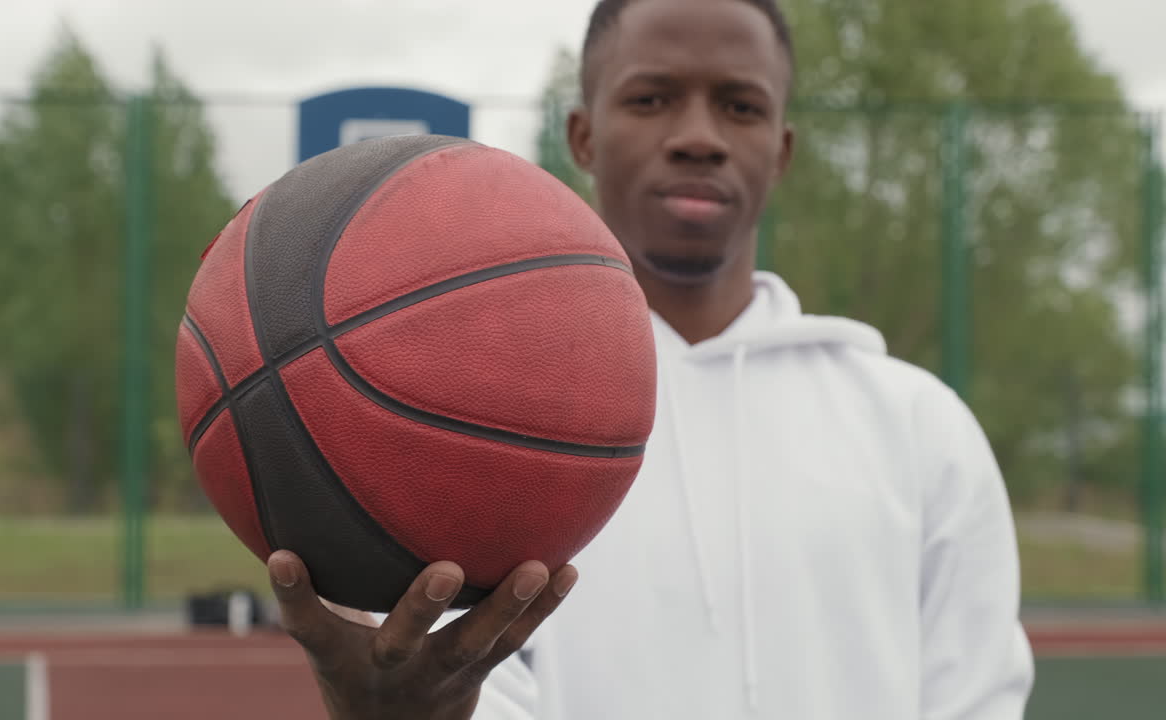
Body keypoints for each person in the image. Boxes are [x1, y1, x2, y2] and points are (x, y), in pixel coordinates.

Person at [264, 0, 1037, 717]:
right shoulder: (463, 422)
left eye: (741, 105)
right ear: (583, 137)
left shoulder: (919, 426)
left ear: (782, 150)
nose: (698, 135)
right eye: (651, 98)